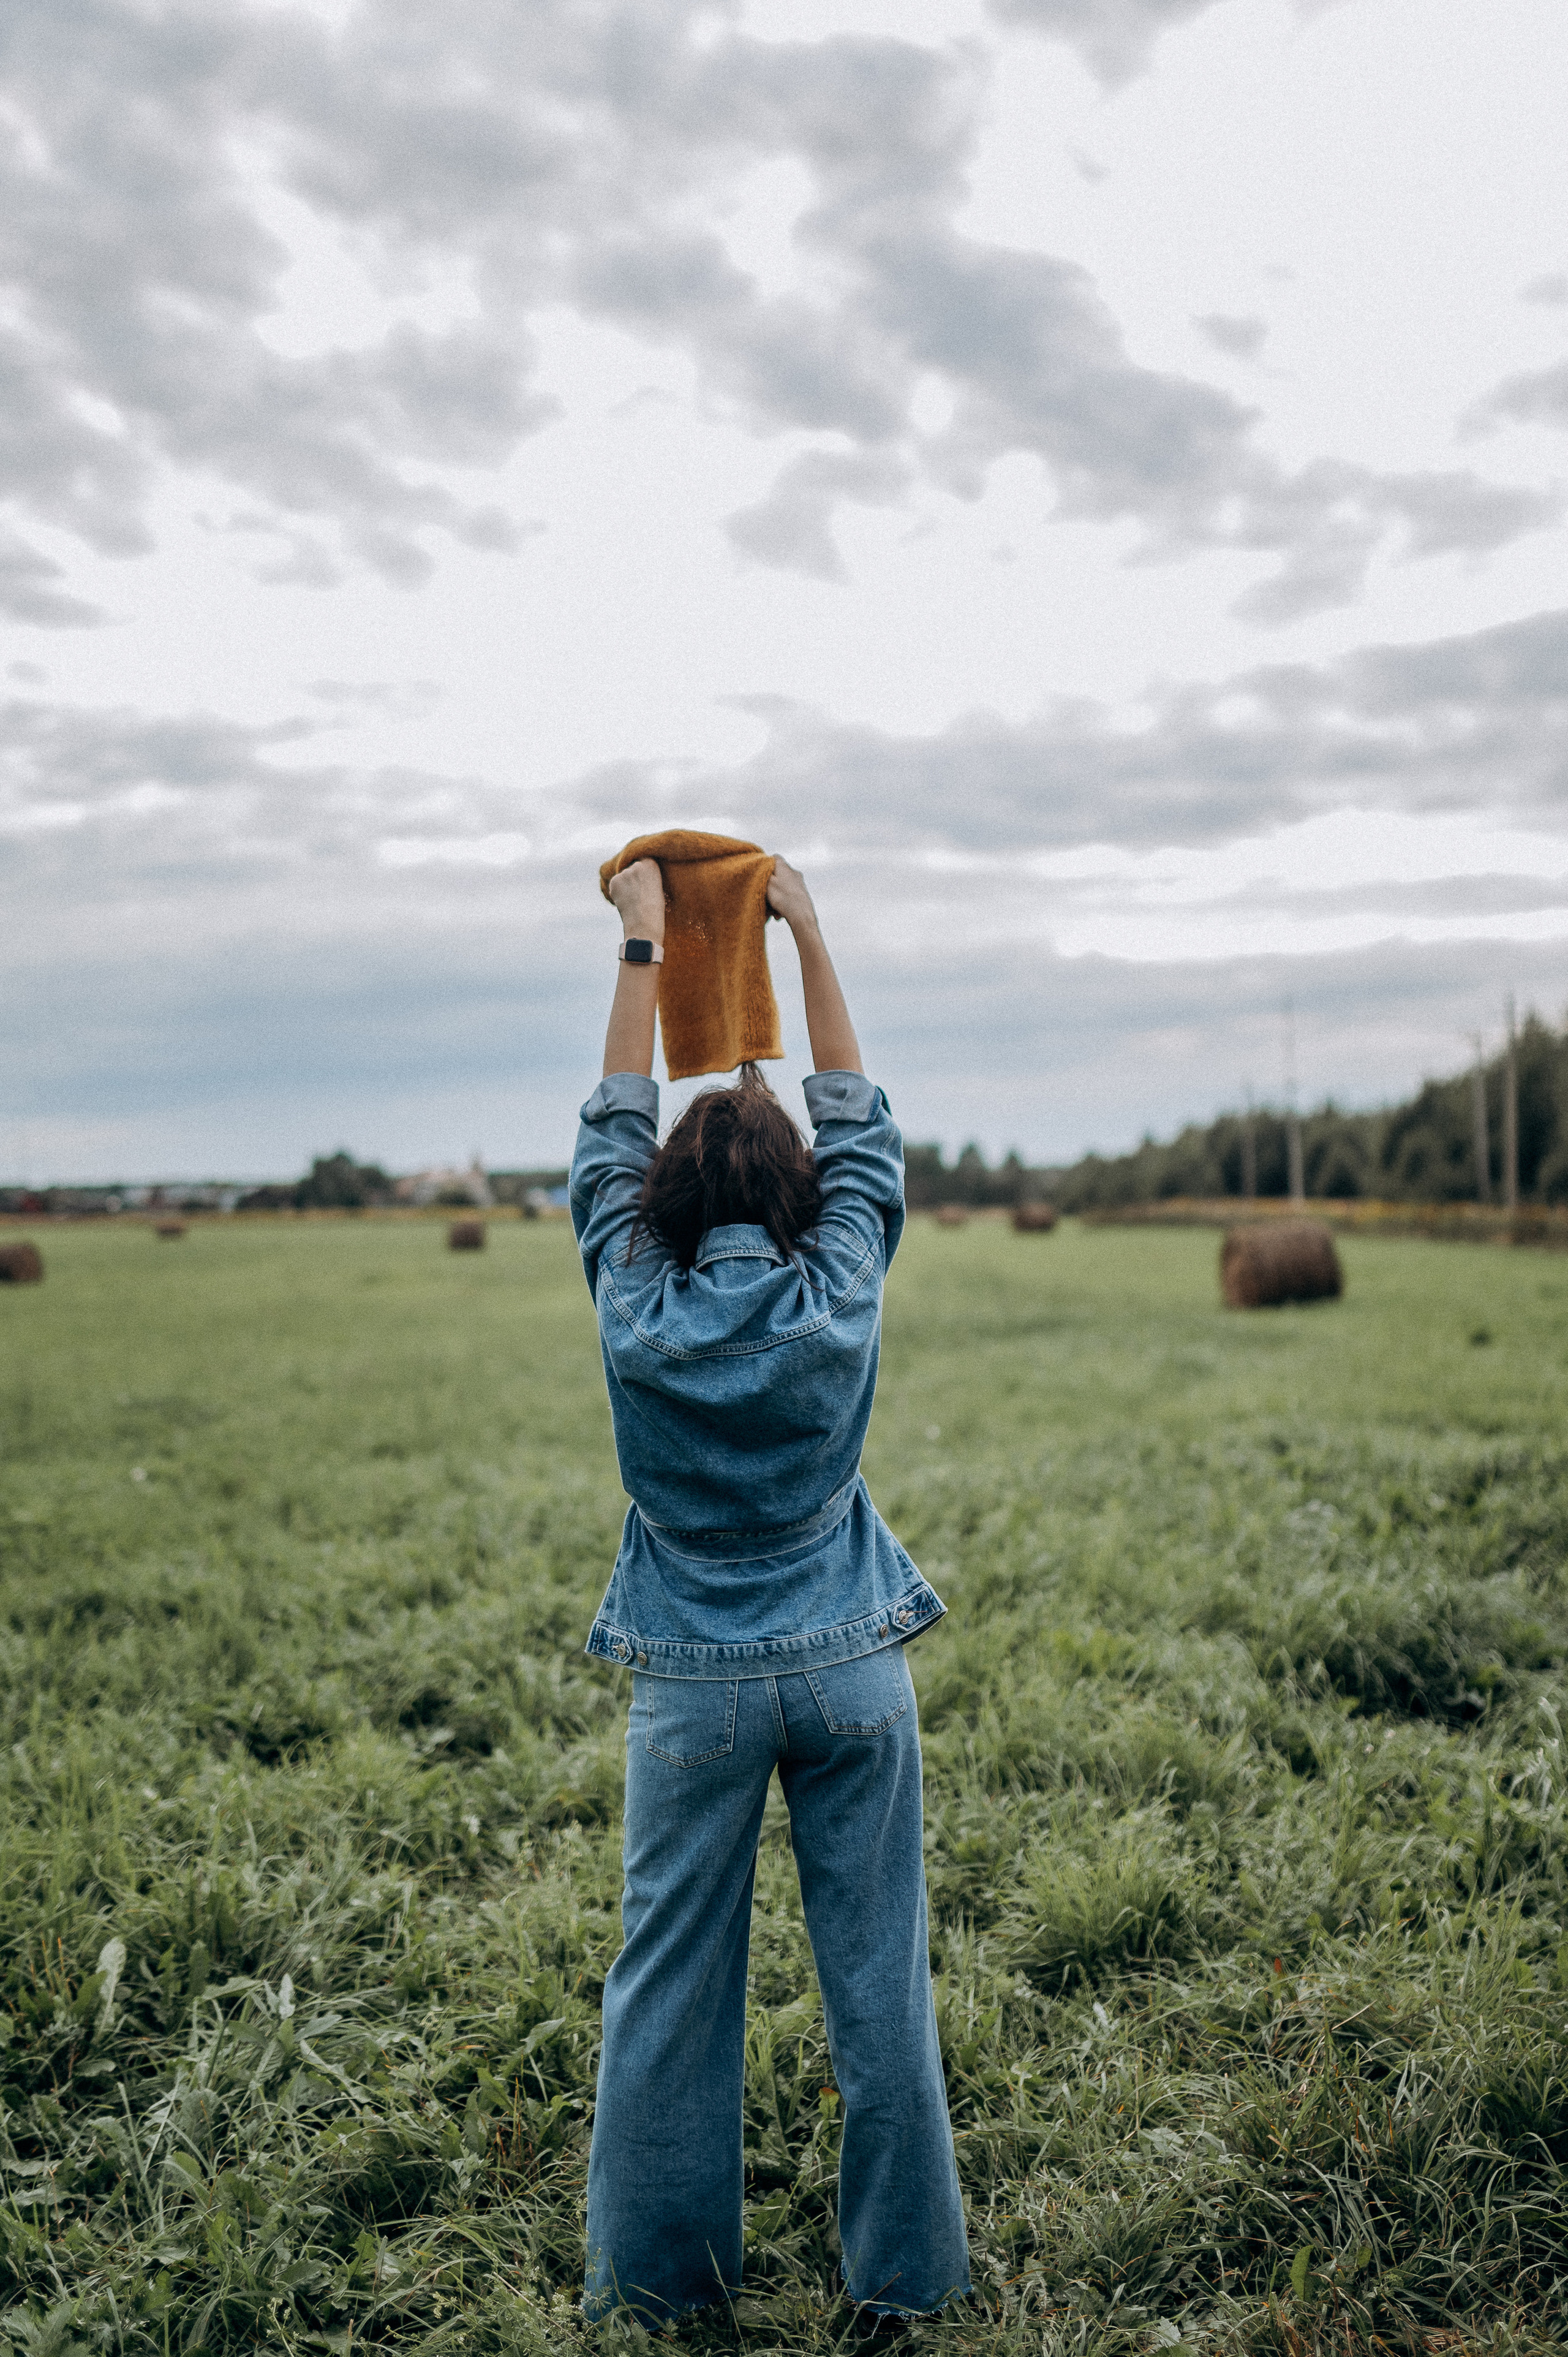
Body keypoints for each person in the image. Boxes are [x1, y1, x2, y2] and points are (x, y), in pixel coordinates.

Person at [570, 853, 970, 2335]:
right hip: (855, 1673)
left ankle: (663, 2300)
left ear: (662, 1200)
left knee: (667, 1991)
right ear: (802, 1197)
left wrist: (642, 948)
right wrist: (801, 930)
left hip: (693, 1689)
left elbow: (609, 1131)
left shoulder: (631, 1291)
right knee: (881, 1990)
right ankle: (904, 2291)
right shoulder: (840, 1278)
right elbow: (859, 1128)